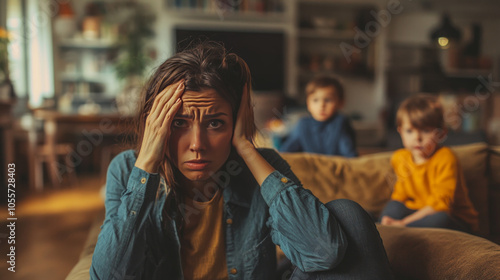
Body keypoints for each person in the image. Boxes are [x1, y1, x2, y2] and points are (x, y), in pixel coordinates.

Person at [90, 42, 393, 280]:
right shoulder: (129, 169)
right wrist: (146, 167)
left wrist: (247, 148)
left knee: (348, 216)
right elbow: (110, 276)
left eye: (215, 124)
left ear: (235, 123)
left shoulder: (260, 167)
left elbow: (323, 252)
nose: (197, 145)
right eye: (179, 123)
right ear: (155, 123)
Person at [379, 94, 479, 232]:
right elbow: (400, 194)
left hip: (453, 217)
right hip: (418, 210)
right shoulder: (400, 157)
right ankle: (384, 228)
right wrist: (389, 216)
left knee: (440, 219)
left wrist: (403, 223)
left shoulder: (445, 157)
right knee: (394, 206)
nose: (417, 138)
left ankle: (398, 229)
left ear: (441, 133)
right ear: (400, 132)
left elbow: (441, 205)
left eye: (426, 131)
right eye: (409, 131)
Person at [279, 76, 357, 157]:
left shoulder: (340, 122)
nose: (321, 105)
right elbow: (285, 152)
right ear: (308, 104)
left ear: (341, 103)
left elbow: (350, 156)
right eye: (315, 100)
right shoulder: (303, 124)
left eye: (328, 100)